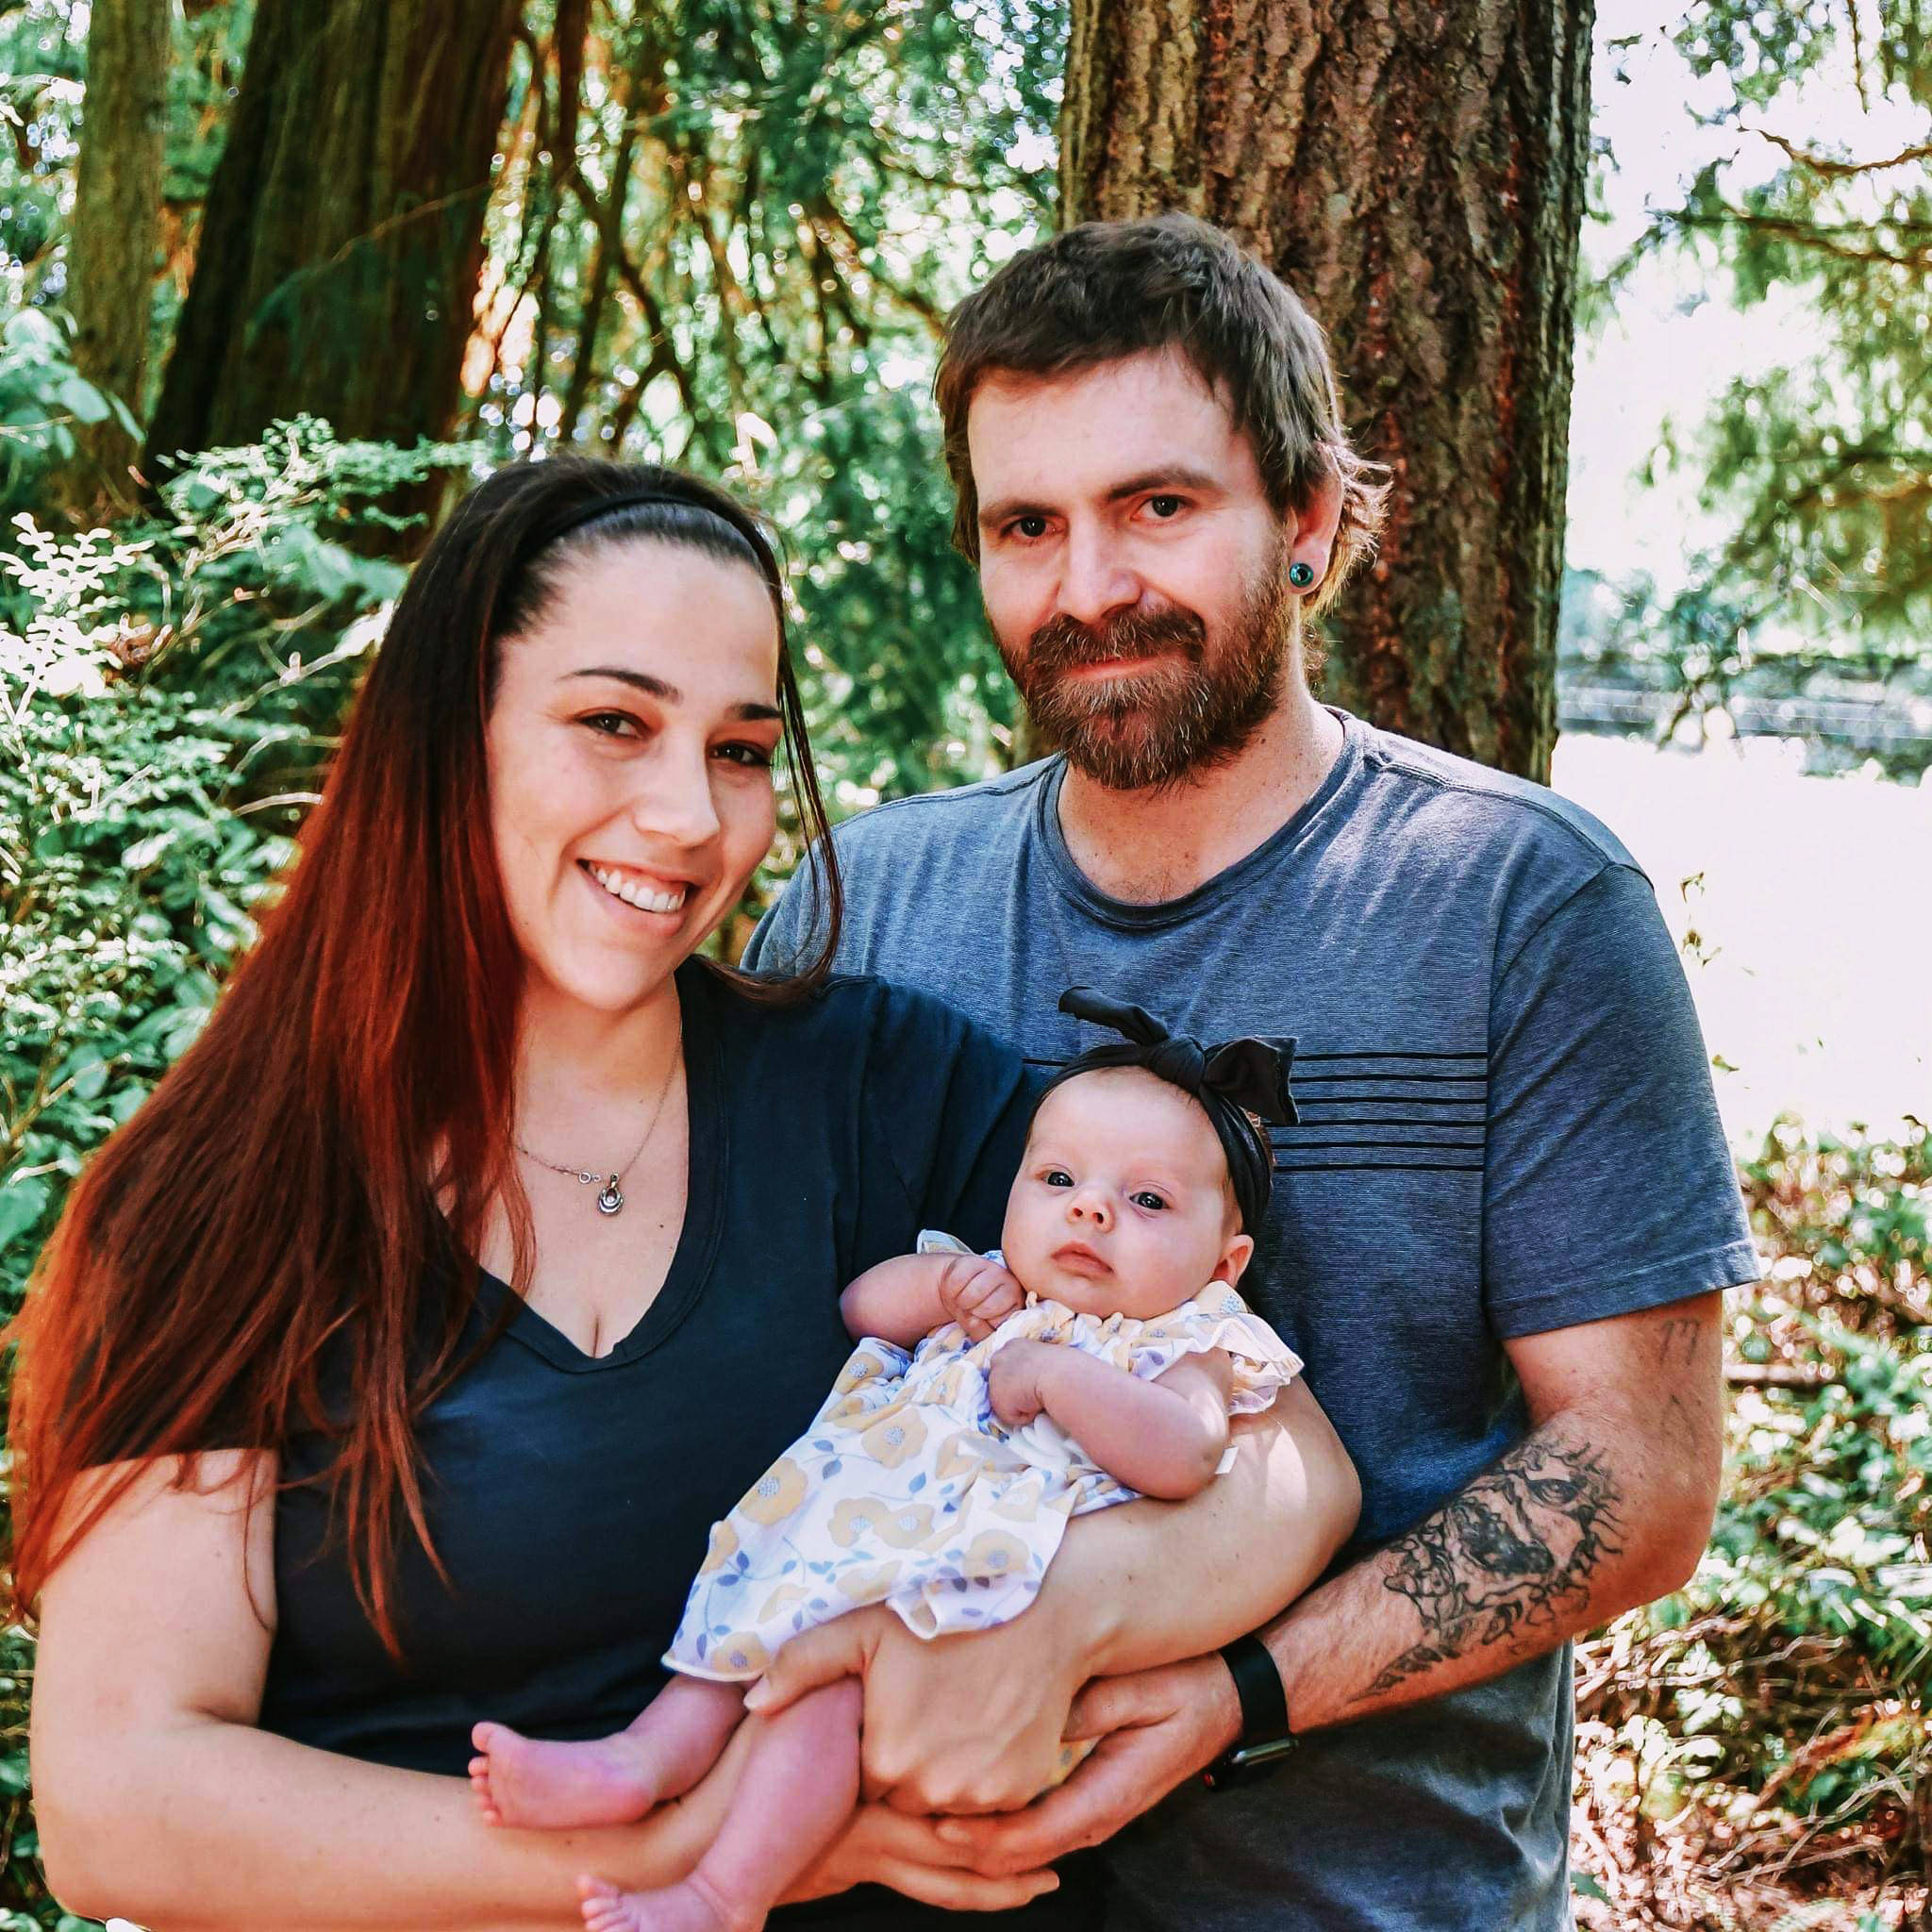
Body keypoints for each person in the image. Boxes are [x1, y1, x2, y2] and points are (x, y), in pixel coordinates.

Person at [10, 457, 1360, 1932]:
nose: (686, 817)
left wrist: (1061, 1621)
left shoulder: (879, 1089)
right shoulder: (222, 1200)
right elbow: (120, 1802)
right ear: (448, 737)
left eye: (736, 749)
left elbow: (1291, 1468)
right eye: (612, 724)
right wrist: (690, 1855)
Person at [744, 213, 1758, 1929]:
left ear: (1300, 518)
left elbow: (1643, 1473)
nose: (1085, 587)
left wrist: (1235, 1694)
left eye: (1155, 506)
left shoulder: (1521, 906)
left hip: (1350, 1891)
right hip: (867, 1876)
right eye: (1024, 525)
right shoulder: (859, 911)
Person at [467, 991, 1320, 1932]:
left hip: (959, 1607)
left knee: (815, 1698)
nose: (1089, 1207)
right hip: (854, 1540)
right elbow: (862, 1310)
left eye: (1145, 1198)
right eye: (1056, 1178)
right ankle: (634, 1760)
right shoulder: (991, 1282)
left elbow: (1188, 1452)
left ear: (1224, 1261)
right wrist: (940, 1284)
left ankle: (722, 1894)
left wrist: (1056, 1374)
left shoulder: (1191, 1337)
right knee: (747, 1613)